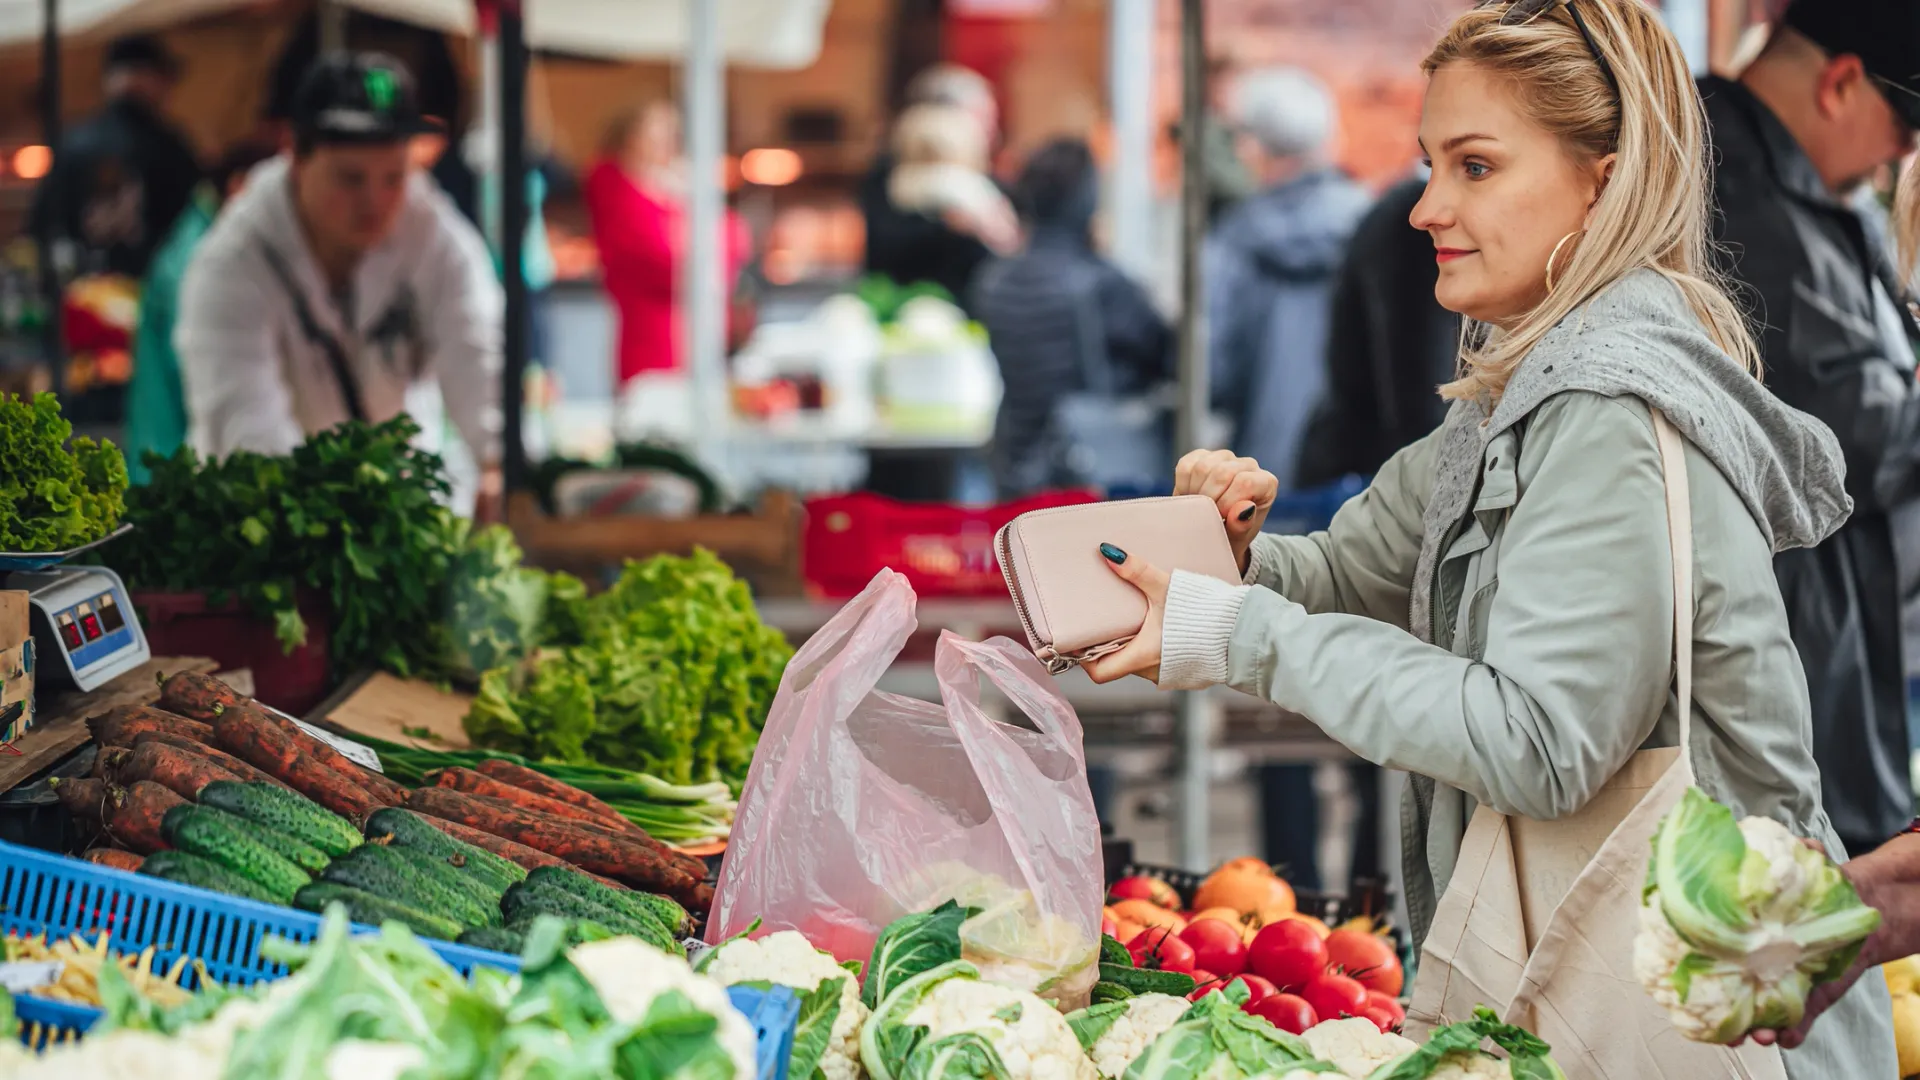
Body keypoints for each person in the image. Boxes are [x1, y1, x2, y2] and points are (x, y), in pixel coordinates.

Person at [1081, 1, 1894, 1073]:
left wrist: (1240, 632)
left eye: (1474, 166)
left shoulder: (1605, 414)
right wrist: (1229, 556)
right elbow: (1355, 570)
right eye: (1431, 165)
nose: (1425, 207)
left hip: (1719, 1021)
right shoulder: (1517, 393)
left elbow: (1541, 745)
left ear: (1601, 180)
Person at [1698, 0, 1920, 863]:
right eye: (1905, 125)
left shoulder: (1812, 186)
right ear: (1839, 83)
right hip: (1778, 649)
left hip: (1831, 637)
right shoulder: (1729, 188)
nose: (1903, 155)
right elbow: (1840, 443)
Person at [175, 52, 502, 516]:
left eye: (393, 177)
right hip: (260, 526)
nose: (375, 201)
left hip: (403, 516)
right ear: (296, 158)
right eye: (350, 179)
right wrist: (325, 532)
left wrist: (498, 460)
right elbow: (247, 431)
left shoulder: (432, 232)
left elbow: (477, 353)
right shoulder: (230, 265)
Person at [972, 138, 1172, 498]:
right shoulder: (1102, 281)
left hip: (1014, 461)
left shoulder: (995, 279)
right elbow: (1164, 355)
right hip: (1090, 467)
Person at [1203, 66, 1372, 492]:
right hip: (1359, 466)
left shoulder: (1236, 238)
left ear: (1255, 146)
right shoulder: (1372, 223)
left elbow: (1214, 369)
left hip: (1260, 469)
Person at [125, 138, 280, 484]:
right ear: (240, 187)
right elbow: (210, 381)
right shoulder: (196, 263)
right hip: (175, 475)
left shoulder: (213, 241)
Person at [1293, 169, 1461, 488]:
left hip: (1363, 464)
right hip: (1371, 478)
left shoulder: (1406, 218)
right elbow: (1421, 403)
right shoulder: (1409, 228)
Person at [584, 102, 750, 386]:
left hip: (703, 340)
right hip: (654, 343)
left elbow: (737, 239)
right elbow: (664, 261)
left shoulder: (676, 188)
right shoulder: (618, 191)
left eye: (669, 136)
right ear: (630, 139)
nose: (663, 146)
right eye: (654, 136)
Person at [30, 34, 201, 279]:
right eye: (164, 78)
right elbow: (194, 226)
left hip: (79, 297)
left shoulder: (72, 143)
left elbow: (39, 229)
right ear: (147, 77)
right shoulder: (170, 146)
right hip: (148, 294)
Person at [859, 64, 1012, 312]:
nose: (992, 129)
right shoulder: (888, 178)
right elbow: (885, 251)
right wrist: (950, 225)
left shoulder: (986, 181)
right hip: (906, 313)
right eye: (982, 117)